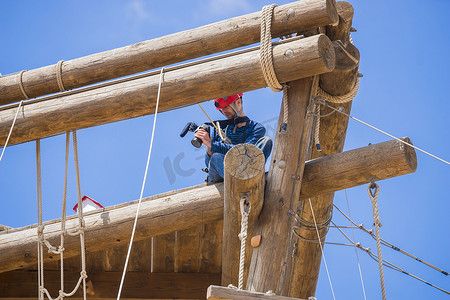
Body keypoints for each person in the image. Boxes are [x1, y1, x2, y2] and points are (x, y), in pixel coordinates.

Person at [194, 93, 272, 182]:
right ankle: (240, 181)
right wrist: (208, 146)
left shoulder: (256, 128)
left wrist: (212, 144)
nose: (223, 111)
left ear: (238, 102)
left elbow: (245, 151)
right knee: (216, 157)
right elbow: (210, 163)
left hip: (246, 167)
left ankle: (247, 177)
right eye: (221, 109)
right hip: (222, 177)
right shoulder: (219, 129)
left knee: (266, 141)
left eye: (226, 107)